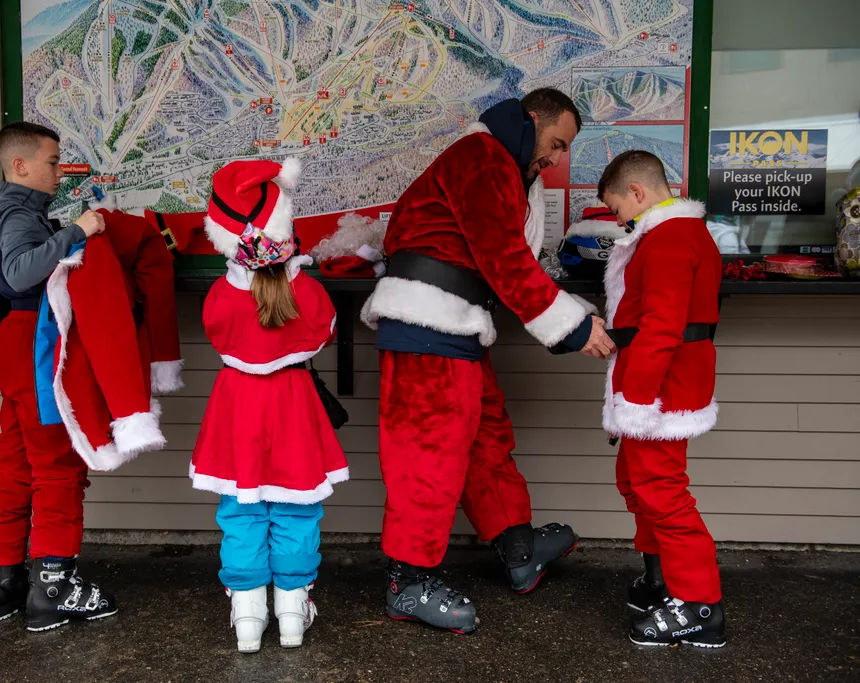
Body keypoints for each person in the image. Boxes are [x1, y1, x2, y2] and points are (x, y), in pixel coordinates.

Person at [360, 89, 616, 634]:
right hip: (429, 328)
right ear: (531, 122)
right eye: (555, 143)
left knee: (484, 435)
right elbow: (503, 256)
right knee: (427, 456)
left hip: (454, 325)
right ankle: (409, 582)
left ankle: (517, 547)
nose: (556, 158)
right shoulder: (482, 159)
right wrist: (571, 326)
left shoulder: (498, 163)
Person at [190, 158, 349, 653]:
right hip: (293, 403)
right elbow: (324, 331)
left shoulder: (220, 295)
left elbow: (217, 331)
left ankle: (247, 613)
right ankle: (292, 608)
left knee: (241, 510)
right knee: (296, 510)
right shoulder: (310, 293)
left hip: (237, 405)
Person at [0, 121, 118, 632]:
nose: (60, 171)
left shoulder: (19, 210)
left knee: (15, 461)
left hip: (16, 343)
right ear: (21, 165)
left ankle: (0, 582)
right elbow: (17, 273)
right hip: (35, 347)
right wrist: (79, 232)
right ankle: (54, 589)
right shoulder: (18, 213)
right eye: (53, 162)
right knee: (57, 464)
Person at [597, 150, 725, 648]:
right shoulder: (670, 236)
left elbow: (662, 328)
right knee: (637, 482)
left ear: (636, 191)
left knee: (663, 493)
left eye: (616, 209)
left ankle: (698, 604)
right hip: (651, 385)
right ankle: (662, 579)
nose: (617, 220)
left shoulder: (671, 238)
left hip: (659, 390)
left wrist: (635, 398)